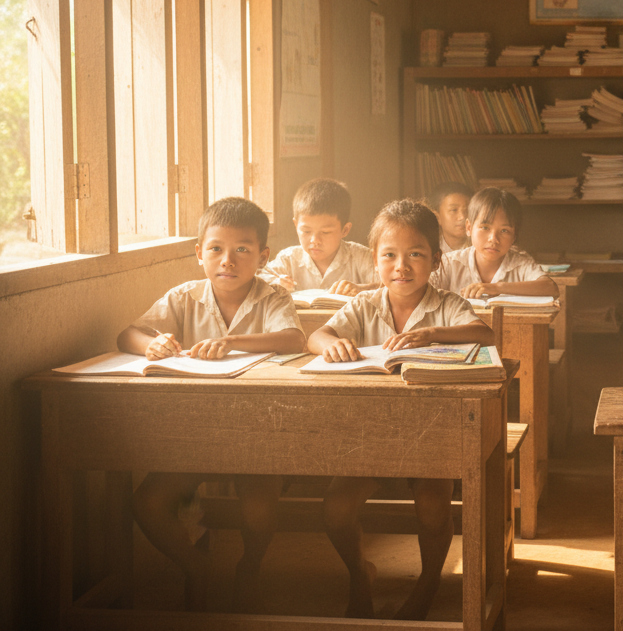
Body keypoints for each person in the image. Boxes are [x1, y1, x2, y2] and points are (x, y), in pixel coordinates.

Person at [116, 197, 305, 611]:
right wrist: (152, 345)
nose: (228, 260)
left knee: (257, 512)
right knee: (147, 502)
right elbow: (127, 335)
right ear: (198, 252)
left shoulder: (272, 297)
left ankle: (249, 568)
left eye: (242, 249)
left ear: (263, 257)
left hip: (259, 437)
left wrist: (231, 341)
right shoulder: (184, 296)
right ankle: (194, 566)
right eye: (216, 248)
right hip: (193, 437)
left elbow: (294, 339)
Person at [308, 199, 494, 619]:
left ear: (436, 261)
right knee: (335, 509)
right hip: (371, 437)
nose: (401, 266)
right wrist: (331, 344)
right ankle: (359, 573)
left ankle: (428, 582)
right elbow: (317, 335)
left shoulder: (446, 304)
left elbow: (485, 334)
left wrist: (433, 334)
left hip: (433, 437)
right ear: (374, 260)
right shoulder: (365, 304)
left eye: (415, 255)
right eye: (389, 255)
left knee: (433, 509)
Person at [430, 188, 558, 299]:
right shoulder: (448, 264)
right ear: (469, 228)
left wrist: (498, 287)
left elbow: (550, 287)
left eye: (504, 231)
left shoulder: (520, 264)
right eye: (485, 228)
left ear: (514, 237)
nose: (493, 239)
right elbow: (422, 293)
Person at [259, 178, 377, 295]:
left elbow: (385, 286)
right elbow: (257, 280)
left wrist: (362, 289)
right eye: (306, 231)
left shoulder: (360, 257)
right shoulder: (288, 259)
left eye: (326, 232)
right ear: (296, 225)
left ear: (345, 230)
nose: (315, 240)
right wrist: (276, 283)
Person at [427, 181, 472, 254]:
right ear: (437, 217)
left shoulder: (479, 248)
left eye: (467, 210)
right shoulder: (430, 249)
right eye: (454, 210)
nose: (462, 217)